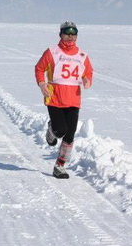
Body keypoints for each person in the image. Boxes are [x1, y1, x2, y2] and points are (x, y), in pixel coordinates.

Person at [34, 21, 93, 179]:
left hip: (74, 99)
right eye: (67, 33)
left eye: (73, 34)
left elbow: (88, 72)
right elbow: (39, 68)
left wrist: (87, 80)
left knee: (70, 134)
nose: (70, 37)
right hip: (54, 97)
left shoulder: (82, 56)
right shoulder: (52, 52)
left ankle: (60, 166)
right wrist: (41, 83)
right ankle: (52, 128)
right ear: (60, 34)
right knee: (60, 130)